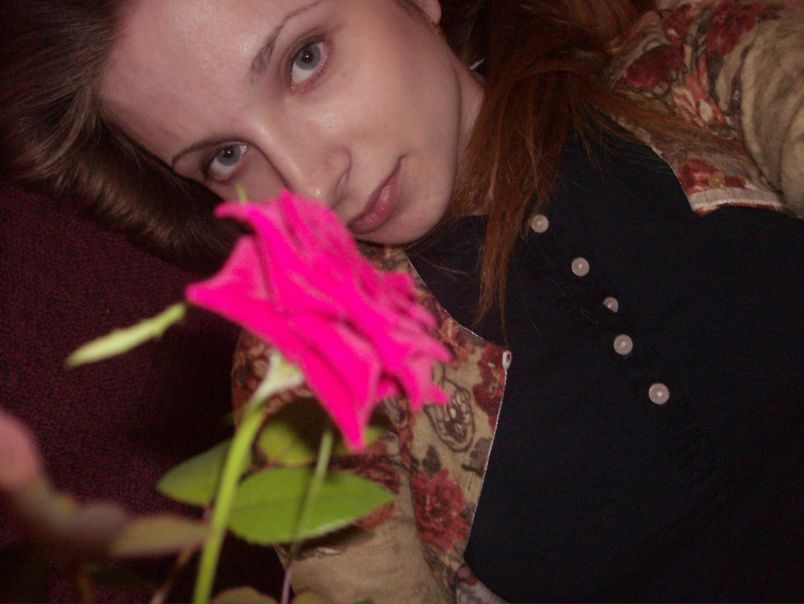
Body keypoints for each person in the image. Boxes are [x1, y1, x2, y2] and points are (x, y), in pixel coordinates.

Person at [1, 0, 802, 602]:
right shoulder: (316, 360)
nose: (310, 184)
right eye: (226, 156)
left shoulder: (706, 64)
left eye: (305, 59)